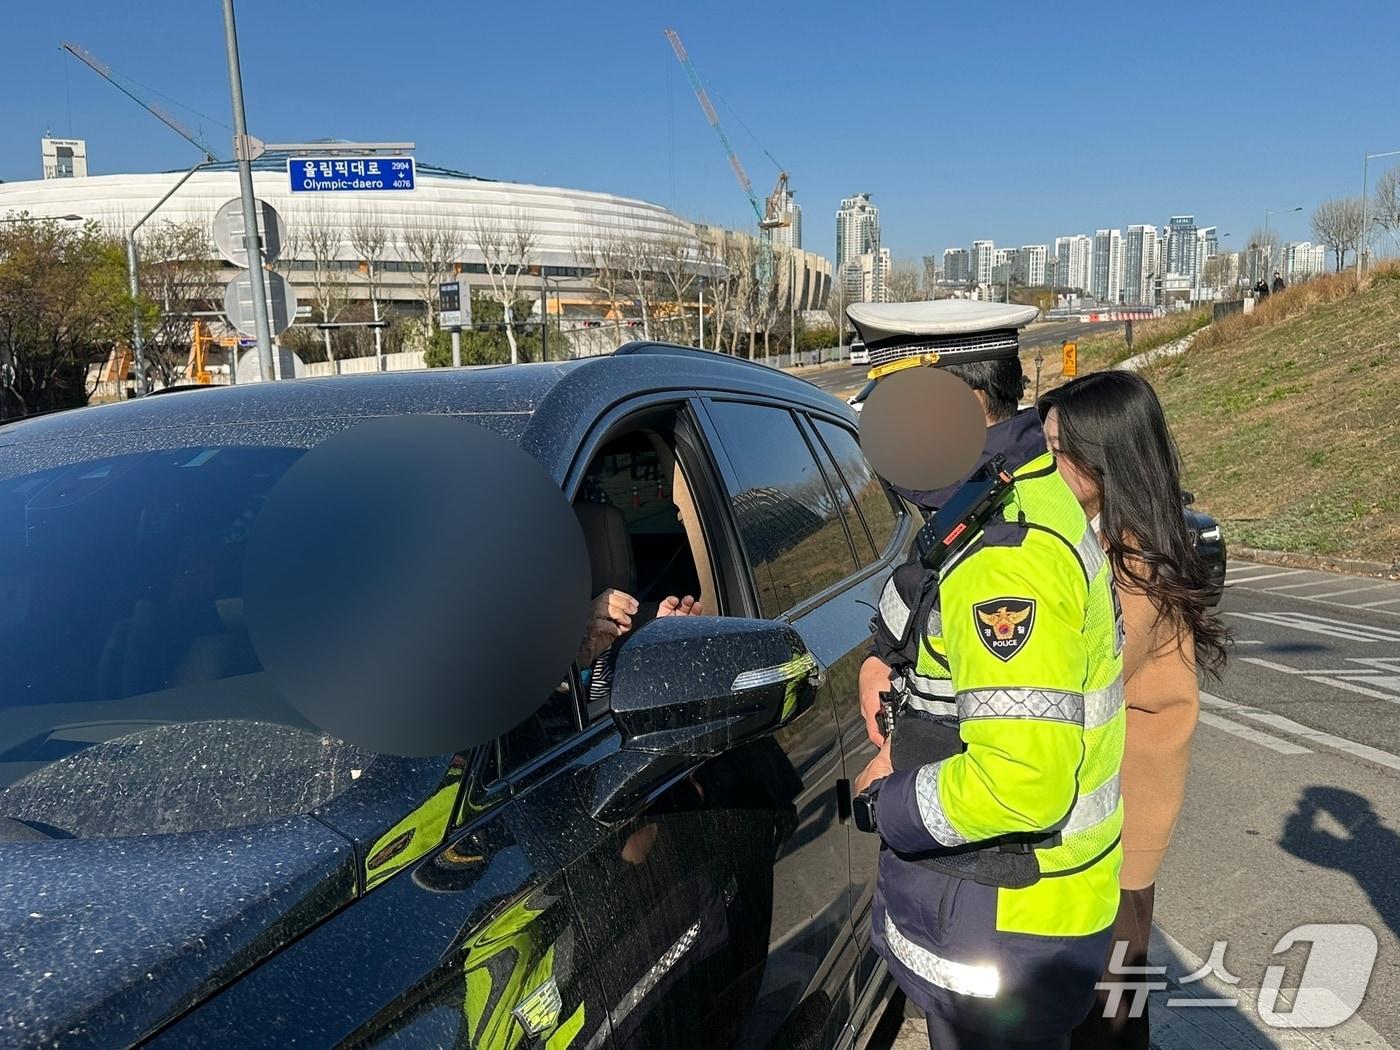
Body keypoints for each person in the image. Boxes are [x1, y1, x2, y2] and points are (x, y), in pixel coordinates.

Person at [849, 300, 1126, 1050]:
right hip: (1007, 914)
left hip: (1011, 922)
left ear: (961, 404)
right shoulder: (993, 498)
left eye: (891, 405)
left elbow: (1022, 782)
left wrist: (887, 801)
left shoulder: (1006, 555)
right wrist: (885, 659)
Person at [1036, 371, 1227, 1050]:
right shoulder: (1107, 532)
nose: (1045, 465)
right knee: (1112, 989)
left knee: (1108, 1005)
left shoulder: (1131, 562)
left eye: (1060, 451)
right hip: (1112, 806)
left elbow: (1082, 669)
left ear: (1107, 456)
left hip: (1122, 809)